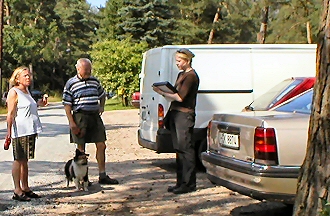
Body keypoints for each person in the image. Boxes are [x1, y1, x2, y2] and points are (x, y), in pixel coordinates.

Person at [62, 58, 118, 185]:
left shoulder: (94, 81)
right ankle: (83, 178)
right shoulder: (71, 83)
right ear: (78, 69)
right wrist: (71, 123)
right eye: (85, 70)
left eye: (89, 70)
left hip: (94, 116)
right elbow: (67, 105)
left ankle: (102, 175)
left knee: (101, 145)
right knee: (81, 149)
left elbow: (102, 94)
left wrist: (102, 106)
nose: (88, 72)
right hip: (80, 116)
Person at [152, 48, 199, 194]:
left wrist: (162, 92)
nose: (177, 63)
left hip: (185, 116)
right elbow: (175, 95)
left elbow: (180, 97)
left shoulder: (191, 76)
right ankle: (180, 182)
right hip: (176, 114)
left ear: (187, 60)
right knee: (178, 149)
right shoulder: (181, 74)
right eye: (176, 60)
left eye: (179, 61)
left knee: (186, 149)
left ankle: (189, 183)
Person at [6, 66, 43, 201]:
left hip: (30, 130)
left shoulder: (26, 91)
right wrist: (8, 133)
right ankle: (17, 190)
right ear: (17, 78)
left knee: (25, 160)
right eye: (25, 76)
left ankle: (25, 188)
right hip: (20, 131)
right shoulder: (14, 92)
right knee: (18, 159)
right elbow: (10, 114)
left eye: (29, 75)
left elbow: (28, 108)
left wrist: (40, 103)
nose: (28, 78)